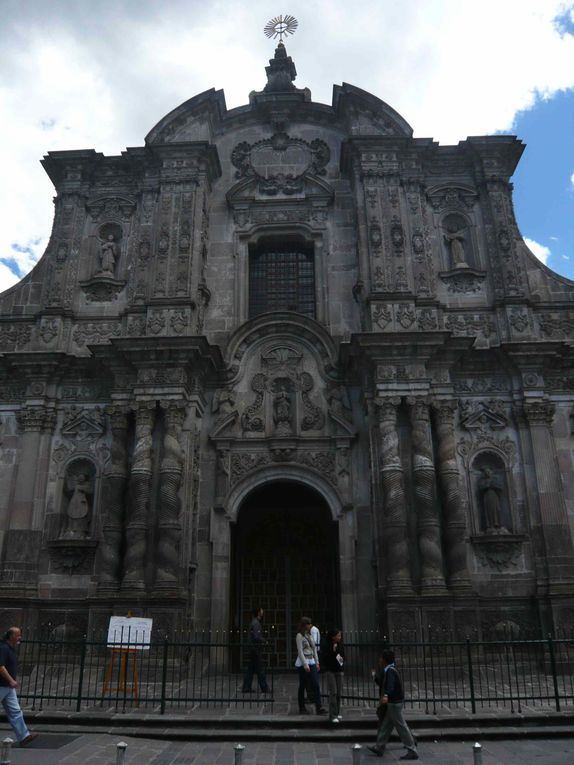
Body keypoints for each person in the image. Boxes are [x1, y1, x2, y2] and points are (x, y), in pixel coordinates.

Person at [368, 649, 418, 760]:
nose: (380, 660)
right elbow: (383, 683)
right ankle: (379, 746)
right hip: (394, 702)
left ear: (385, 660)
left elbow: (390, 686)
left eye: (381, 658)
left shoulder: (390, 671)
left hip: (394, 703)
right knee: (386, 725)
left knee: (401, 726)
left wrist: (386, 695)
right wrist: (375, 677)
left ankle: (412, 749)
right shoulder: (389, 669)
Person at [0, 627, 37, 747]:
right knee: (15, 711)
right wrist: (11, 680)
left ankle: (24, 736)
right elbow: (1, 667)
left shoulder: (11, 649)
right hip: (2, 685)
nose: (20, 637)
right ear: (11, 636)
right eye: (18, 635)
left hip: (8, 687)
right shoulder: (4, 648)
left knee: (15, 711)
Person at [295, 617, 326, 715]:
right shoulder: (299, 636)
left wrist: (317, 662)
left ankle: (319, 706)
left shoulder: (309, 635)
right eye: (308, 624)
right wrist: (305, 664)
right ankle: (302, 707)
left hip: (312, 661)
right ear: (305, 625)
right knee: (303, 684)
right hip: (304, 662)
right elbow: (300, 651)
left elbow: (314, 649)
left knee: (316, 684)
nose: (310, 626)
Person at [241, 607, 270, 693]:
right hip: (255, 649)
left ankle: (246, 687)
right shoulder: (256, 623)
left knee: (250, 669)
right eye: (261, 610)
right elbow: (256, 637)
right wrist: (265, 641)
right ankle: (264, 688)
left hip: (252, 649)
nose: (262, 612)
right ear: (258, 613)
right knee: (260, 669)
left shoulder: (254, 622)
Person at [320, 627, 344, 724]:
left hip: (339, 670)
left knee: (338, 693)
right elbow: (325, 658)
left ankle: (337, 712)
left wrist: (337, 653)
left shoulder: (340, 645)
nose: (340, 637)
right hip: (330, 671)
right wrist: (332, 652)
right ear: (333, 637)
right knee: (333, 693)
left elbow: (342, 657)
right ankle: (332, 715)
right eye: (338, 635)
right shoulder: (327, 645)